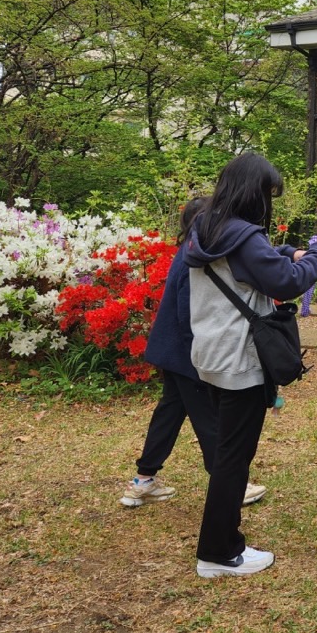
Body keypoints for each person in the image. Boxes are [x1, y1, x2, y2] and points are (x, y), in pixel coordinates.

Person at [184, 154, 317, 578]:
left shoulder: (207, 226)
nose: (271, 204)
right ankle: (219, 551)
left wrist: (287, 250)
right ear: (254, 194)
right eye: (270, 195)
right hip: (239, 361)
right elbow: (287, 281)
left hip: (211, 355)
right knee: (234, 458)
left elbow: (256, 259)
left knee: (227, 452)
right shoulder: (244, 236)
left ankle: (220, 546)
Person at [120, 197, 266, 509]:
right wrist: (199, 356)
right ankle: (232, 487)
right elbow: (190, 314)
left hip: (170, 350)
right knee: (208, 419)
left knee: (169, 413)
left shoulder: (189, 251)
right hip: (186, 352)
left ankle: (143, 480)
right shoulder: (196, 258)